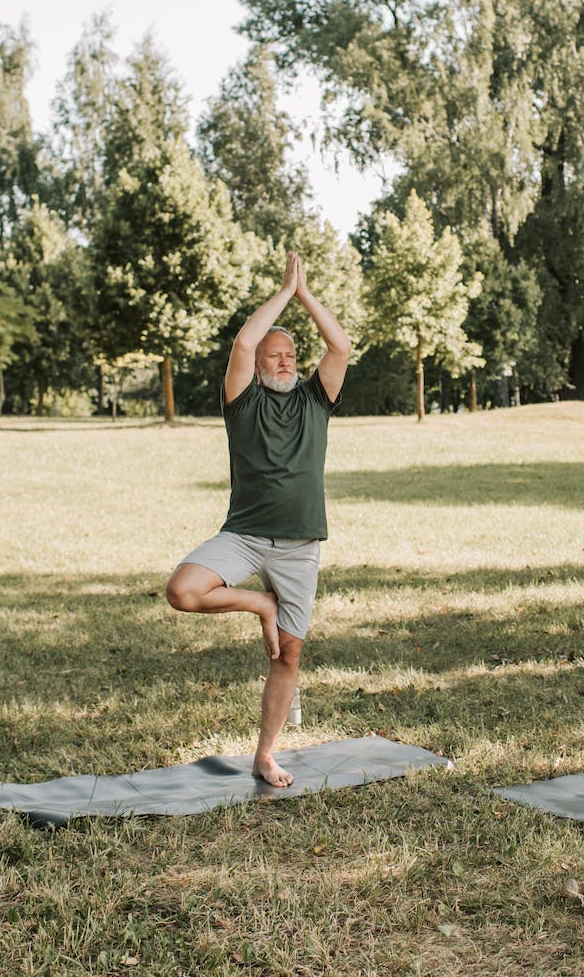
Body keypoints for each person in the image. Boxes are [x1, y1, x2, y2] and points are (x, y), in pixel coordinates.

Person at [164, 250, 352, 787]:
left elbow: (339, 346)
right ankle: (259, 602)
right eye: (276, 355)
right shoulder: (241, 402)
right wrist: (283, 293)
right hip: (244, 536)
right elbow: (244, 342)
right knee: (183, 590)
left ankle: (266, 754)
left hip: (299, 546)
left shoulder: (317, 400)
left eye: (291, 354)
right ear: (259, 365)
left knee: (288, 656)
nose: (285, 361)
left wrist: (306, 295)